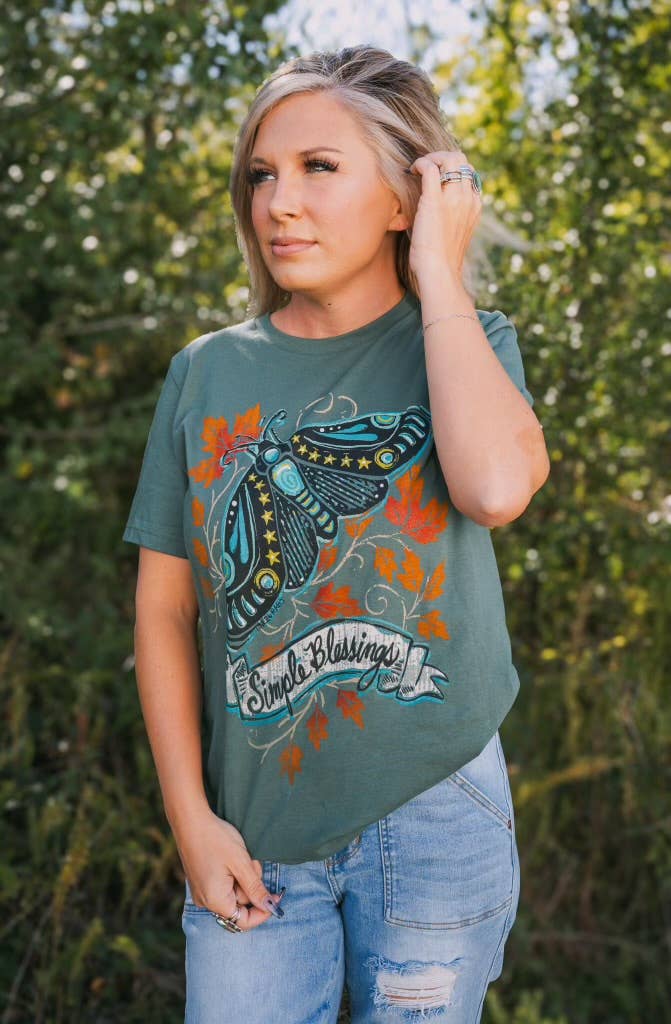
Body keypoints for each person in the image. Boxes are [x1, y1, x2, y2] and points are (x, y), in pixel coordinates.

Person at [122, 43, 550, 1024]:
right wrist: (190, 819)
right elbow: (163, 612)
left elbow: (492, 488)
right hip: (254, 830)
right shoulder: (205, 373)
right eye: (261, 175)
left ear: (402, 198)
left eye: (319, 167)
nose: (279, 203)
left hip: (435, 812)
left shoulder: (469, 344)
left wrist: (436, 273)